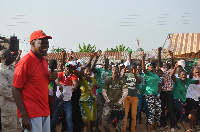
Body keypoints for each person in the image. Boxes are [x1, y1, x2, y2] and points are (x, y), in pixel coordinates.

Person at [12, 30, 58, 132]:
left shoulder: (44, 61)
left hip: (44, 111)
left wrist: (53, 77)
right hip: (31, 114)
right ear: (32, 43)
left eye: (47, 43)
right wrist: (24, 115)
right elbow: (15, 89)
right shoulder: (25, 62)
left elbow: (43, 84)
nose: (46, 45)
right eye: (42, 43)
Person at [51, 62, 78, 132]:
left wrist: (74, 87)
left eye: (70, 68)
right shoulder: (60, 74)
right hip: (58, 99)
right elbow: (57, 80)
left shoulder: (73, 76)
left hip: (67, 101)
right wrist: (59, 85)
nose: (68, 69)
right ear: (65, 68)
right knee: (55, 116)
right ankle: (52, 130)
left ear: (72, 70)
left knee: (69, 118)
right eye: (67, 68)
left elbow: (75, 82)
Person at [171, 63, 199, 131]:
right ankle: (185, 128)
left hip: (184, 100)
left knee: (178, 113)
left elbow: (196, 81)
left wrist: (197, 75)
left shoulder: (188, 80)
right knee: (182, 111)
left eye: (185, 75)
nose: (184, 76)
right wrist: (174, 68)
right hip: (176, 99)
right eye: (182, 75)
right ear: (179, 76)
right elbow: (172, 76)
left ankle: (174, 124)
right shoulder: (177, 80)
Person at [0, 49, 22, 132]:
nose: (12, 57)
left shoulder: (13, 68)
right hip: (8, 105)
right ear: (4, 57)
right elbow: (4, 90)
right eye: (10, 55)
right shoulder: (1, 71)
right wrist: (19, 98)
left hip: (17, 105)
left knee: (18, 128)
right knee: (9, 129)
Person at [102, 66, 128, 132]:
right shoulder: (108, 80)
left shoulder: (122, 80)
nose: (115, 71)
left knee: (122, 120)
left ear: (118, 72)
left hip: (118, 102)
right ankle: (107, 130)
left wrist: (120, 102)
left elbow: (126, 92)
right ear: (111, 72)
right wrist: (108, 101)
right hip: (109, 102)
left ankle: (118, 130)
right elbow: (104, 92)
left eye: (116, 70)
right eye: (113, 70)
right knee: (104, 120)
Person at [91, 52, 112, 132]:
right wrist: (96, 59)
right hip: (99, 92)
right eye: (103, 62)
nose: (104, 63)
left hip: (107, 94)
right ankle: (97, 127)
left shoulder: (110, 72)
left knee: (107, 110)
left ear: (108, 64)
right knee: (99, 110)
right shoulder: (99, 70)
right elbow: (92, 68)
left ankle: (106, 127)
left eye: (106, 62)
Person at [142, 54, 161, 132]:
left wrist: (159, 93)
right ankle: (149, 129)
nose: (152, 67)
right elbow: (143, 68)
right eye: (150, 66)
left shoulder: (156, 75)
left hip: (156, 94)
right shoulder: (147, 74)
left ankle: (155, 126)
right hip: (149, 94)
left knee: (159, 111)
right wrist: (143, 58)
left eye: (152, 66)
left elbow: (159, 85)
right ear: (148, 68)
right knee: (152, 111)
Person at [79, 67, 100, 132]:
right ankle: (88, 130)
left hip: (92, 100)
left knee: (92, 117)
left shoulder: (93, 79)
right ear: (84, 73)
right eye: (87, 71)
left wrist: (97, 86)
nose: (88, 73)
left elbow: (96, 85)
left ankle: (90, 129)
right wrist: (82, 69)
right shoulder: (82, 79)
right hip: (84, 101)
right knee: (87, 118)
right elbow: (80, 76)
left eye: (89, 71)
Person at [122, 64, 141, 132]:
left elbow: (138, 81)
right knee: (125, 115)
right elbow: (120, 80)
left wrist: (134, 73)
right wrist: (124, 72)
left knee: (133, 115)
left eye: (133, 68)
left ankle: (133, 130)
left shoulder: (138, 75)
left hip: (134, 97)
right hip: (126, 97)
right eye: (131, 68)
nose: (132, 69)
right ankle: (123, 130)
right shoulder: (126, 74)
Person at [186, 67, 200, 131]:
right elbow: (195, 87)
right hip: (190, 96)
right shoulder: (189, 78)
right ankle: (191, 127)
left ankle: (194, 126)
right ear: (193, 71)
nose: (197, 70)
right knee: (192, 112)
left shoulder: (199, 78)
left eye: (198, 70)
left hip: (196, 97)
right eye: (196, 70)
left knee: (195, 112)